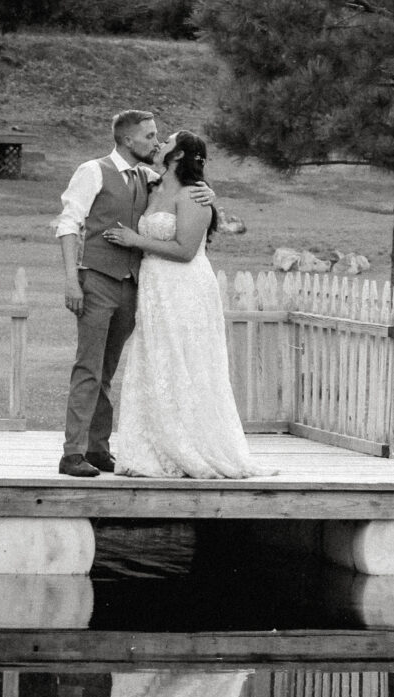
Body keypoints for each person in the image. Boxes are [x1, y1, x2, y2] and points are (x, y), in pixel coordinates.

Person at [55, 110, 214, 477]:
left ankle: (97, 449)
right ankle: (72, 453)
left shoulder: (149, 177)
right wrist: (70, 279)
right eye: (149, 136)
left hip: (132, 286)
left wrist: (209, 190)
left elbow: (185, 186)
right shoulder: (92, 171)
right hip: (95, 280)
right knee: (88, 367)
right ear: (127, 140)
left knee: (107, 371)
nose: (156, 142)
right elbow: (68, 224)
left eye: (158, 136)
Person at [103, 131, 260, 479]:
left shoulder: (194, 195)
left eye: (167, 142)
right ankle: (150, 448)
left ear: (179, 155)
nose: (159, 145)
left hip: (185, 286)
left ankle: (193, 446)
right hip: (156, 289)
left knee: (186, 361)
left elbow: (186, 250)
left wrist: (135, 240)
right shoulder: (152, 186)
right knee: (156, 359)